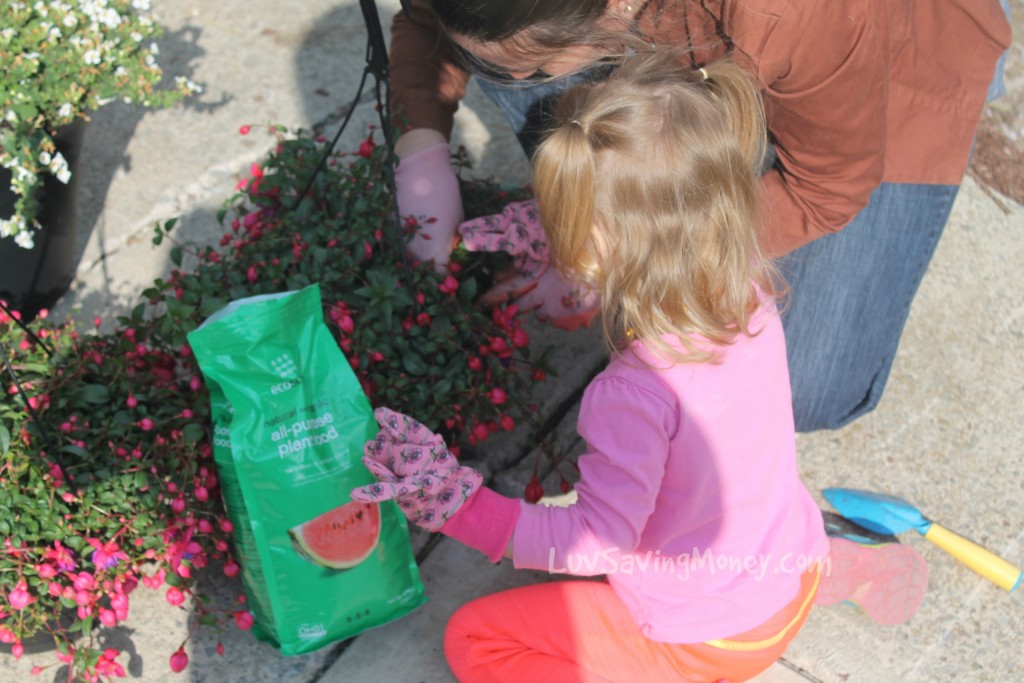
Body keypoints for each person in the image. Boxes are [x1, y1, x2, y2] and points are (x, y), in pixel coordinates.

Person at [352, 52, 925, 682]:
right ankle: (846, 568)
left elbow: (598, 542)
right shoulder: (749, 294)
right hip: (788, 565)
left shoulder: (632, 393)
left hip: (707, 640)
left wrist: (460, 507)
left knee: (477, 640)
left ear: (599, 250)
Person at [387, 0, 1012, 432]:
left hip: (883, 64)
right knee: (508, 51)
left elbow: (828, 186)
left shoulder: (798, 14)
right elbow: (431, 19)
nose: (517, 82)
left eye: (534, 70)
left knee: (801, 388)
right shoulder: (549, 22)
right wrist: (421, 145)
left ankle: (705, 149)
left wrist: (630, 256)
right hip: (642, 34)